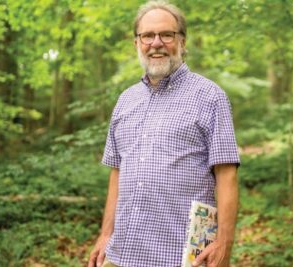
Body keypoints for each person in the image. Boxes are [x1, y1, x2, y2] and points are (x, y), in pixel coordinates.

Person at [88, 1, 240, 267]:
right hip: (122, 253)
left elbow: (227, 174)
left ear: (181, 41)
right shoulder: (125, 100)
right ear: (136, 43)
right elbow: (117, 172)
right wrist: (105, 235)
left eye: (166, 35)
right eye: (147, 35)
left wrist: (224, 242)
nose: (156, 43)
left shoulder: (210, 96)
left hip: (184, 256)